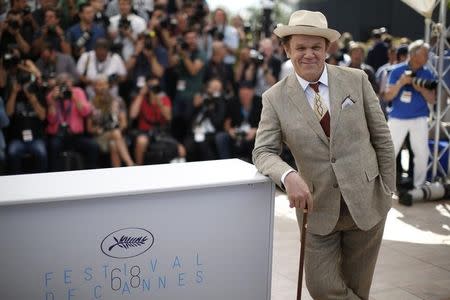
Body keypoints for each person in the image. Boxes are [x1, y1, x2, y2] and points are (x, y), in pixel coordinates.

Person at [252, 10, 395, 299]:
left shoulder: (357, 80)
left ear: (327, 48)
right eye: (300, 47)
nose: (309, 54)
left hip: (367, 203)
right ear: (287, 49)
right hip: (316, 210)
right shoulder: (274, 98)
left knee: (357, 288)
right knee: (320, 286)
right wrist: (288, 175)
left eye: (316, 47)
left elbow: (382, 137)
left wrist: (388, 188)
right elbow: (263, 151)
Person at [384, 40, 436, 191]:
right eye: (425, 54)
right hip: (397, 118)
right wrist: (401, 82)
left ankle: (419, 187)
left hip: (419, 118)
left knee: (422, 153)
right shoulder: (397, 71)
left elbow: (432, 99)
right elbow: (387, 96)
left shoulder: (427, 73)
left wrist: (421, 89)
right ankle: (384, 187)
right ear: (414, 55)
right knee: (388, 153)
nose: (428, 57)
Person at [46, 73, 99, 171]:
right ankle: (54, 176)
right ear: (57, 85)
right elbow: (51, 120)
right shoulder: (52, 95)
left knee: (93, 146)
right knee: (53, 146)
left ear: (72, 83)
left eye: (68, 83)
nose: (66, 86)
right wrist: (53, 101)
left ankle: (91, 174)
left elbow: (86, 112)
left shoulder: (78, 92)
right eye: (63, 83)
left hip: (75, 136)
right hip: (59, 135)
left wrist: (74, 98)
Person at [87, 75, 134, 167]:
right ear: (94, 88)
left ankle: (117, 173)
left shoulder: (118, 101)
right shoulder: (90, 104)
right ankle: (130, 164)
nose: (102, 87)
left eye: (104, 84)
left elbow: (124, 124)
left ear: (109, 86)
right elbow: (89, 128)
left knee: (113, 144)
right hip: (100, 137)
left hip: (117, 136)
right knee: (115, 135)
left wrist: (116, 131)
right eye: (98, 85)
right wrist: (97, 130)